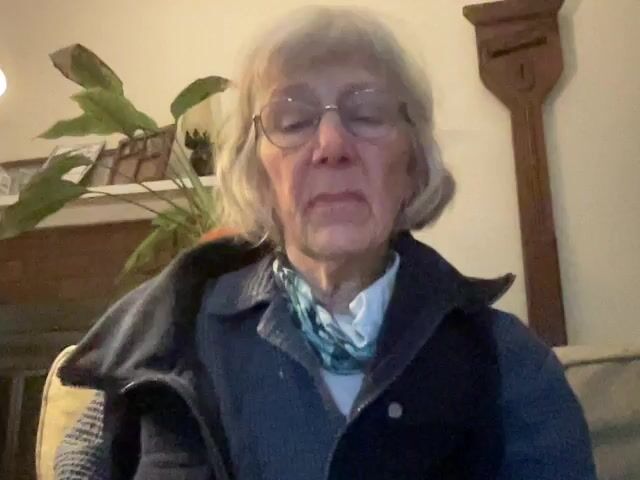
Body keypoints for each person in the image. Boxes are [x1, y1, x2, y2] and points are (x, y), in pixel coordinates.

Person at [55, 6, 596, 480]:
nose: (332, 145)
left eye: (367, 114)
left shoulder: (510, 363)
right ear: (257, 174)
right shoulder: (166, 340)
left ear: (412, 165)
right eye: (293, 121)